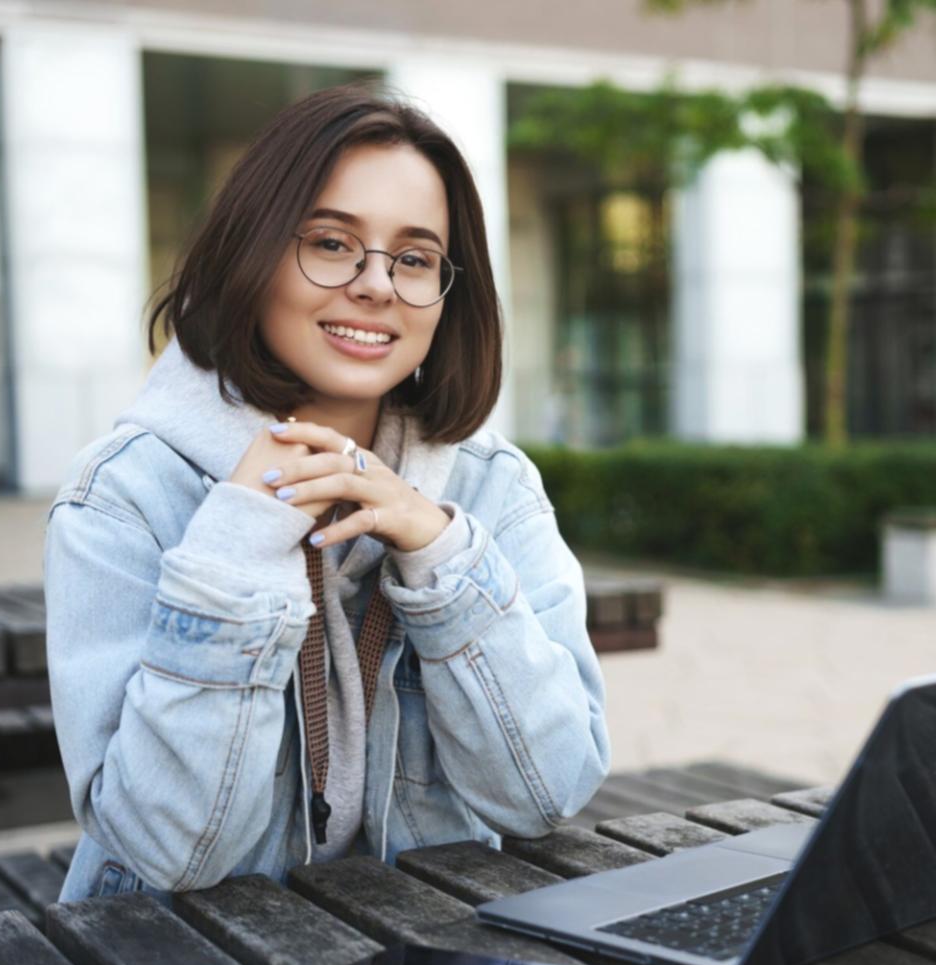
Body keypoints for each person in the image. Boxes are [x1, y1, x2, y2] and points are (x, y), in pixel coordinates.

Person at [43, 87, 610, 903]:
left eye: (413, 259)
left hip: (419, 952)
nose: (375, 285)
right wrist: (233, 550)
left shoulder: (492, 486)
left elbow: (546, 793)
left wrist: (440, 555)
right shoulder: (123, 493)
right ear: (253, 252)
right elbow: (168, 852)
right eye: (332, 242)